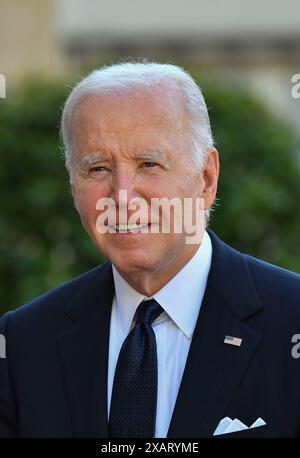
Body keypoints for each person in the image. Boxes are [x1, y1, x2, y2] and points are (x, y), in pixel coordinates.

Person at [1, 62, 300, 438]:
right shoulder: (24, 343)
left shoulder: (292, 322)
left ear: (206, 179)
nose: (122, 197)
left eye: (149, 164)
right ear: (72, 183)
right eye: (97, 169)